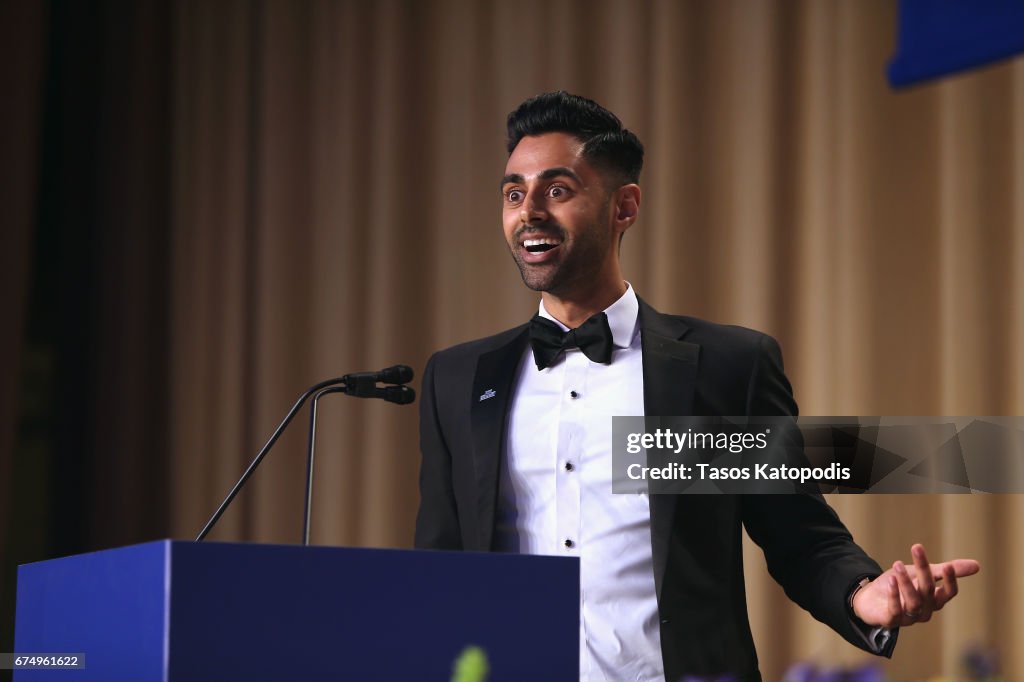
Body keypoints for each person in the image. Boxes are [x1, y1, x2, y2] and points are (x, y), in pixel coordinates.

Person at [414, 91, 979, 681]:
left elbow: (800, 536)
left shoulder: (727, 367)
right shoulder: (457, 379)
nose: (528, 211)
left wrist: (866, 595)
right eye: (513, 193)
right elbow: (439, 568)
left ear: (624, 207)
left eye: (557, 191)